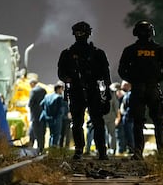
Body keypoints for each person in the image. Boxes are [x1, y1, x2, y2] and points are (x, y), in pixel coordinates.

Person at [118, 20, 163, 160]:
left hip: (137, 89)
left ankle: (138, 151)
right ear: (152, 32)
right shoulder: (160, 49)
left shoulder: (130, 50)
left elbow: (121, 70)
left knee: (138, 122)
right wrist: (156, 80)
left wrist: (133, 80)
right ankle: (162, 151)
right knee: (158, 121)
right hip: (153, 88)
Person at [58, 21, 112, 160]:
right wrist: (69, 79)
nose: (80, 35)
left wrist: (105, 95)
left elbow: (105, 77)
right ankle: (80, 149)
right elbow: (61, 74)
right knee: (78, 123)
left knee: (97, 122)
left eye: (82, 32)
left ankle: (100, 151)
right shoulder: (68, 54)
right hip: (77, 91)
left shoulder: (97, 53)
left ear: (87, 34)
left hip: (93, 91)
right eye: (78, 32)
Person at [40, 83, 66, 147]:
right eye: (61, 89)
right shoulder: (59, 97)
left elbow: (41, 104)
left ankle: (50, 148)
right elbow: (61, 110)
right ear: (59, 89)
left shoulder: (47, 96)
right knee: (56, 135)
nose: (62, 91)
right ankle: (53, 150)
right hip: (57, 118)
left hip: (48, 118)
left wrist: (47, 112)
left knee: (51, 134)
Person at [27, 78, 47, 153]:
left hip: (35, 115)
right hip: (42, 114)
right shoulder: (43, 90)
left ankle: (34, 147)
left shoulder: (33, 91)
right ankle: (41, 147)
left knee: (35, 131)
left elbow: (30, 103)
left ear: (32, 84)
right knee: (41, 132)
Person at [103, 82, 120, 155]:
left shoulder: (101, 93)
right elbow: (115, 106)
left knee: (104, 133)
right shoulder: (112, 94)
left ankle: (102, 149)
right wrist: (117, 116)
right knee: (112, 134)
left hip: (102, 116)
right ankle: (112, 149)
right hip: (111, 117)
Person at [120, 80, 134, 154]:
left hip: (128, 116)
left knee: (130, 133)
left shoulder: (130, 94)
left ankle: (131, 148)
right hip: (127, 116)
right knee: (128, 133)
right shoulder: (127, 94)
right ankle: (130, 147)